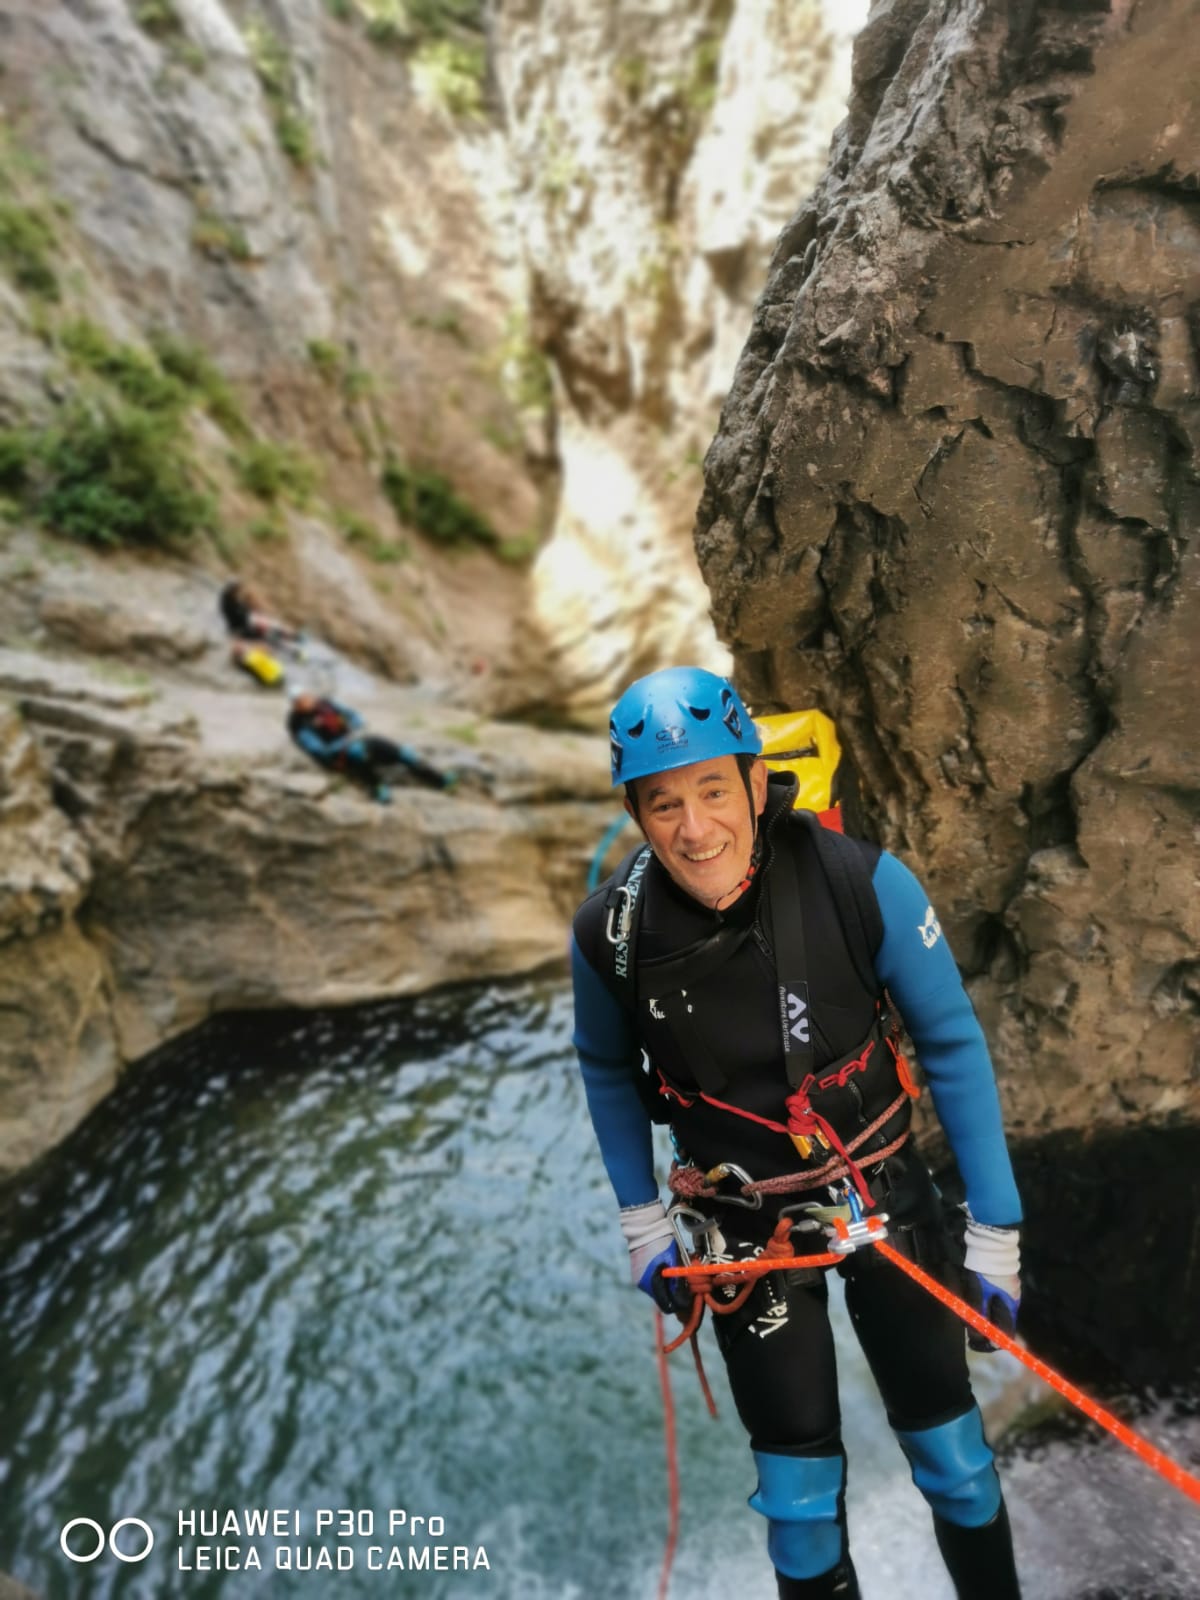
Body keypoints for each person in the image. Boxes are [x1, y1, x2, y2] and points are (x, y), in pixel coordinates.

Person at [570, 666, 1023, 1600]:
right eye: (663, 804)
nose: (694, 828)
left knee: (956, 1463)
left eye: (711, 791)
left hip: (881, 1193)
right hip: (742, 1227)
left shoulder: (863, 883)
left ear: (754, 780)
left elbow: (951, 1044)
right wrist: (642, 1222)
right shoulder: (610, 935)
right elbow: (606, 1068)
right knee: (800, 1509)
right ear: (636, 813)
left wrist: (996, 1232)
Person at [287, 691, 456, 802]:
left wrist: (357, 725)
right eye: (304, 700)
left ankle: (438, 779)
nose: (310, 700)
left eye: (308, 696)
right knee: (358, 753)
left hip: (353, 738)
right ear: (296, 705)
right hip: (338, 752)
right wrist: (345, 743)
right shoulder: (299, 724)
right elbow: (319, 749)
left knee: (402, 752)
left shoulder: (324, 703)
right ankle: (377, 787)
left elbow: (350, 713)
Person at [220, 579, 305, 653]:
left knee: (271, 628)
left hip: (246, 626)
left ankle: (292, 638)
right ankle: (292, 640)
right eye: (237, 590)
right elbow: (242, 618)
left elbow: (246, 613)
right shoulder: (232, 604)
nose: (239, 592)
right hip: (244, 629)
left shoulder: (237, 603)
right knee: (269, 632)